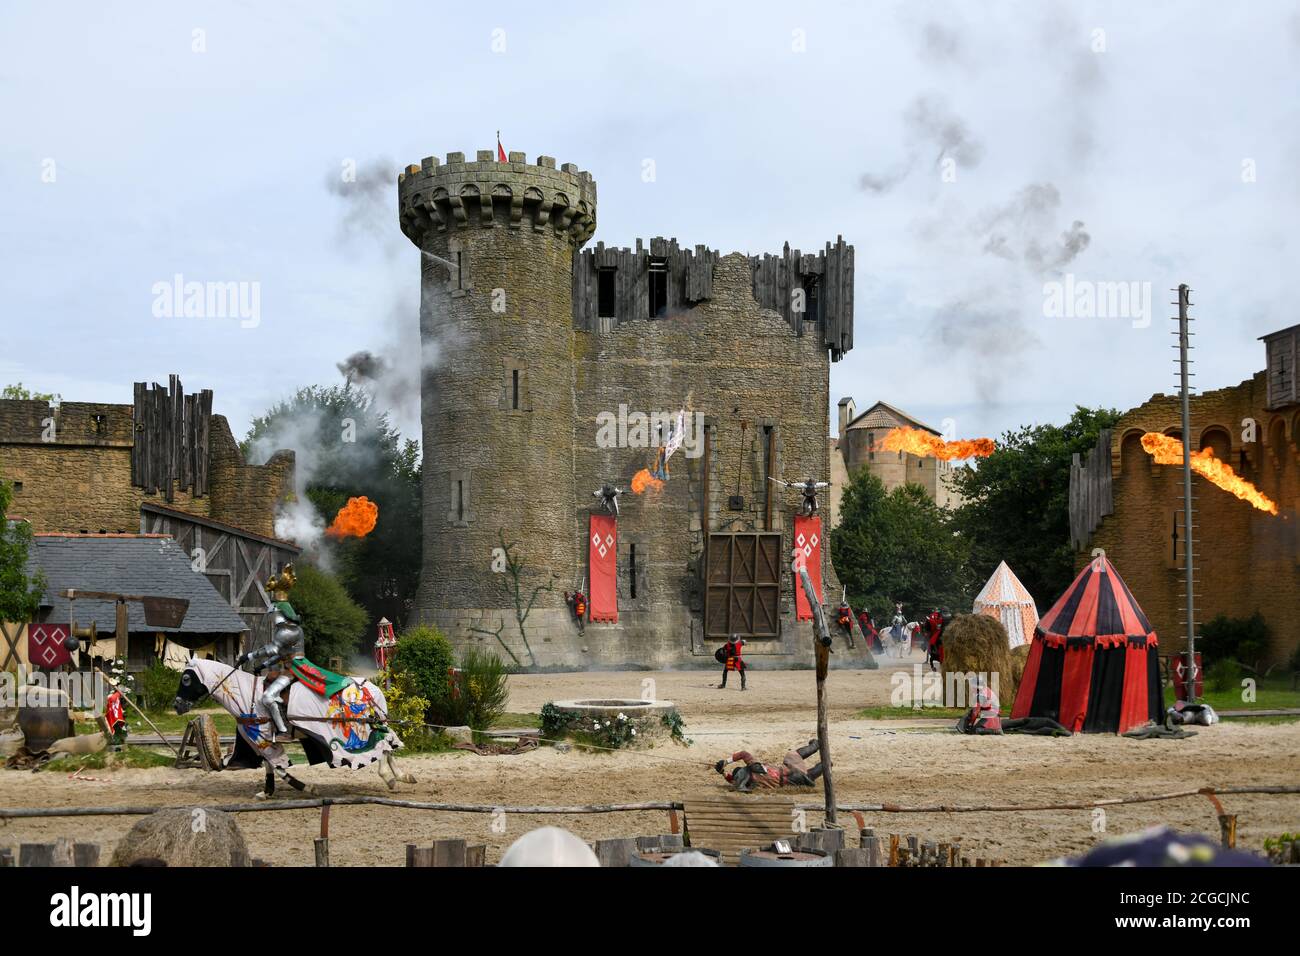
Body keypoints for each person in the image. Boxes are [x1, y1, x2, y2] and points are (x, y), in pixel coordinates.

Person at [714, 739, 823, 792]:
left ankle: (826, 764)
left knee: (808, 775)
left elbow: (734, 781)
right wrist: (725, 762)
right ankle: (815, 745)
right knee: (793, 755)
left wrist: (723, 772)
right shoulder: (752, 767)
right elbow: (743, 754)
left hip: (788, 779)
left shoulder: (747, 783)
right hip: (787, 772)